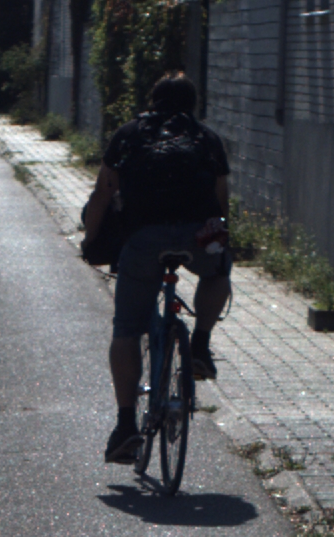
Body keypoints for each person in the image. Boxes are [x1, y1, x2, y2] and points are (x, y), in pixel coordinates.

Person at [82, 72, 231, 464]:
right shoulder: (207, 138)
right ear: (193, 103)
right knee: (218, 273)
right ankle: (200, 344)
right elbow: (221, 201)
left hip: (145, 239)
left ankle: (125, 425)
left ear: (153, 99)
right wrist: (219, 244)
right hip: (198, 236)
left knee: (127, 330)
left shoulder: (130, 135)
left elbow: (102, 194)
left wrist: (90, 240)